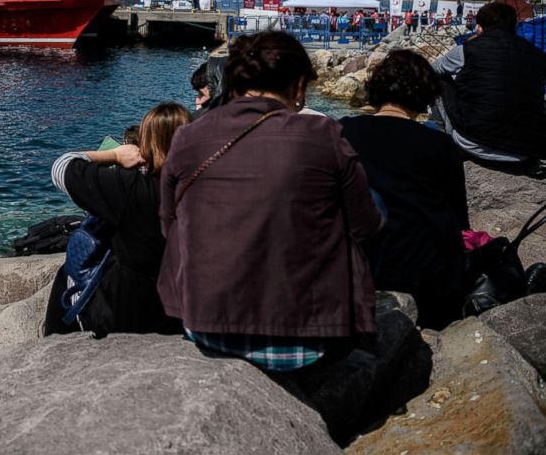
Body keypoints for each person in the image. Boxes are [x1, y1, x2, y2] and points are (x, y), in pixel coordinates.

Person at [158, 31, 384, 371]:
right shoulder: (323, 135)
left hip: (205, 327)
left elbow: (167, 223)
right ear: (297, 86)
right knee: (373, 201)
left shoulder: (188, 136)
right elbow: (368, 228)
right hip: (311, 342)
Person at [341, 50, 469, 329]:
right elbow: (459, 220)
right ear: (425, 94)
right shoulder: (440, 145)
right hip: (426, 273)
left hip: (362, 268)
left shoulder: (343, 132)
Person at [45, 102, 191, 337]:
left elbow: (61, 167)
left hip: (126, 315)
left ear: (147, 144)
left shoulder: (130, 188)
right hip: (182, 314)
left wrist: (114, 155)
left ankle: (57, 352)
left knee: (68, 275)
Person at [433, 1, 546, 166]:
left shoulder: (467, 50)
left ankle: (448, 145)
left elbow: (432, 69)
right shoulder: (537, 55)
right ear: (514, 25)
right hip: (525, 149)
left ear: (479, 27)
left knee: (437, 79)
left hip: (474, 142)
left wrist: (468, 45)